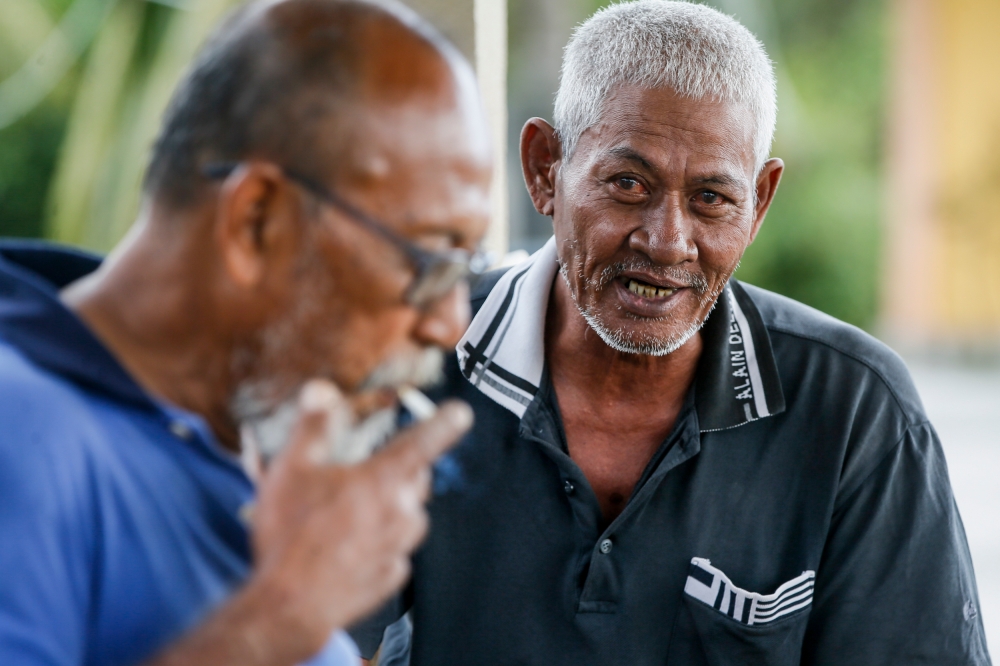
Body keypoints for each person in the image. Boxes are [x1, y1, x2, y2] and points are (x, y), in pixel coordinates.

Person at [352, 2, 993, 664]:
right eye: (628, 183)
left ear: (760, 203)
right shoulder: (407, 353)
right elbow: (303, 637)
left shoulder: (854, 409)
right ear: (546, 168)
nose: (667, 242)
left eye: (712, 199)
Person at [0, 0, 492, 664]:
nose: (448, 323)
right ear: (257, 221)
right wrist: (279, 616)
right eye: (429, 260)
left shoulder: (239, 441)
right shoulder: (23, 432)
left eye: (467, 270)